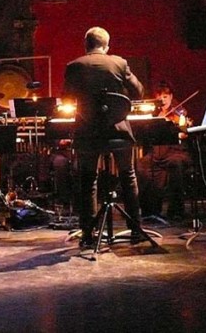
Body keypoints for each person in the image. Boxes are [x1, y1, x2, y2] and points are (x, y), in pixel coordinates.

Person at [63, 26, 144, 248]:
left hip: (88, 133)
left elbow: (67, 97)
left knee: (88, 181)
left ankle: (88, 234)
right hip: (117, 132)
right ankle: (136, 230)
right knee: (128, 176)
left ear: (86, 44)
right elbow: (138, 92)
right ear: (107, 46)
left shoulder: (74, 66)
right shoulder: (119, 63)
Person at [136, 81, 193, 222]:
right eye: (159, 97)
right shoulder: (153, 113)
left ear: (171, 96)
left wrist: (183, 128)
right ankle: (150, 210)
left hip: (175, 151)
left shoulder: (179, 111)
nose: (162, 100)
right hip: (157, 152)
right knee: (142, 166)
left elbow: (184, 132)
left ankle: (176, 210)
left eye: (165, 97)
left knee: (176, 163)